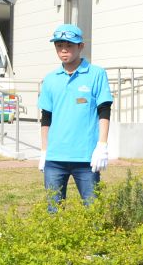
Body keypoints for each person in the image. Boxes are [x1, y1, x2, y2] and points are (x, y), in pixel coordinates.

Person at [39, 23, 113, 205]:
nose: (64, 50)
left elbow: (104, 110)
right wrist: (44, 150)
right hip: (55, 157)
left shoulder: (96, 74)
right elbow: (46, 117)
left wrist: (102, 145)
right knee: (53, 211)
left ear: (81, 46)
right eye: (59, 45)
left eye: (69, 45)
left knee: (92, 209)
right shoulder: (50, 79)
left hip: (86, 157)